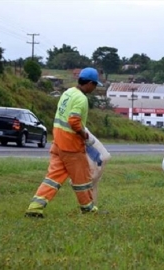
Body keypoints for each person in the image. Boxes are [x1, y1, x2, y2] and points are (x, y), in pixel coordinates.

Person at [25, 67, 103, 218]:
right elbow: (74, 121)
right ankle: (87, 208)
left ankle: (35, 207)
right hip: (71, 146)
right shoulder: (81, 98)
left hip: (58, 143)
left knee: (53, 178)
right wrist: (84, 135)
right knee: (82, 180)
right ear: (89, 83)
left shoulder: (68, 93)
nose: (94, 88)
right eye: (94, 85)